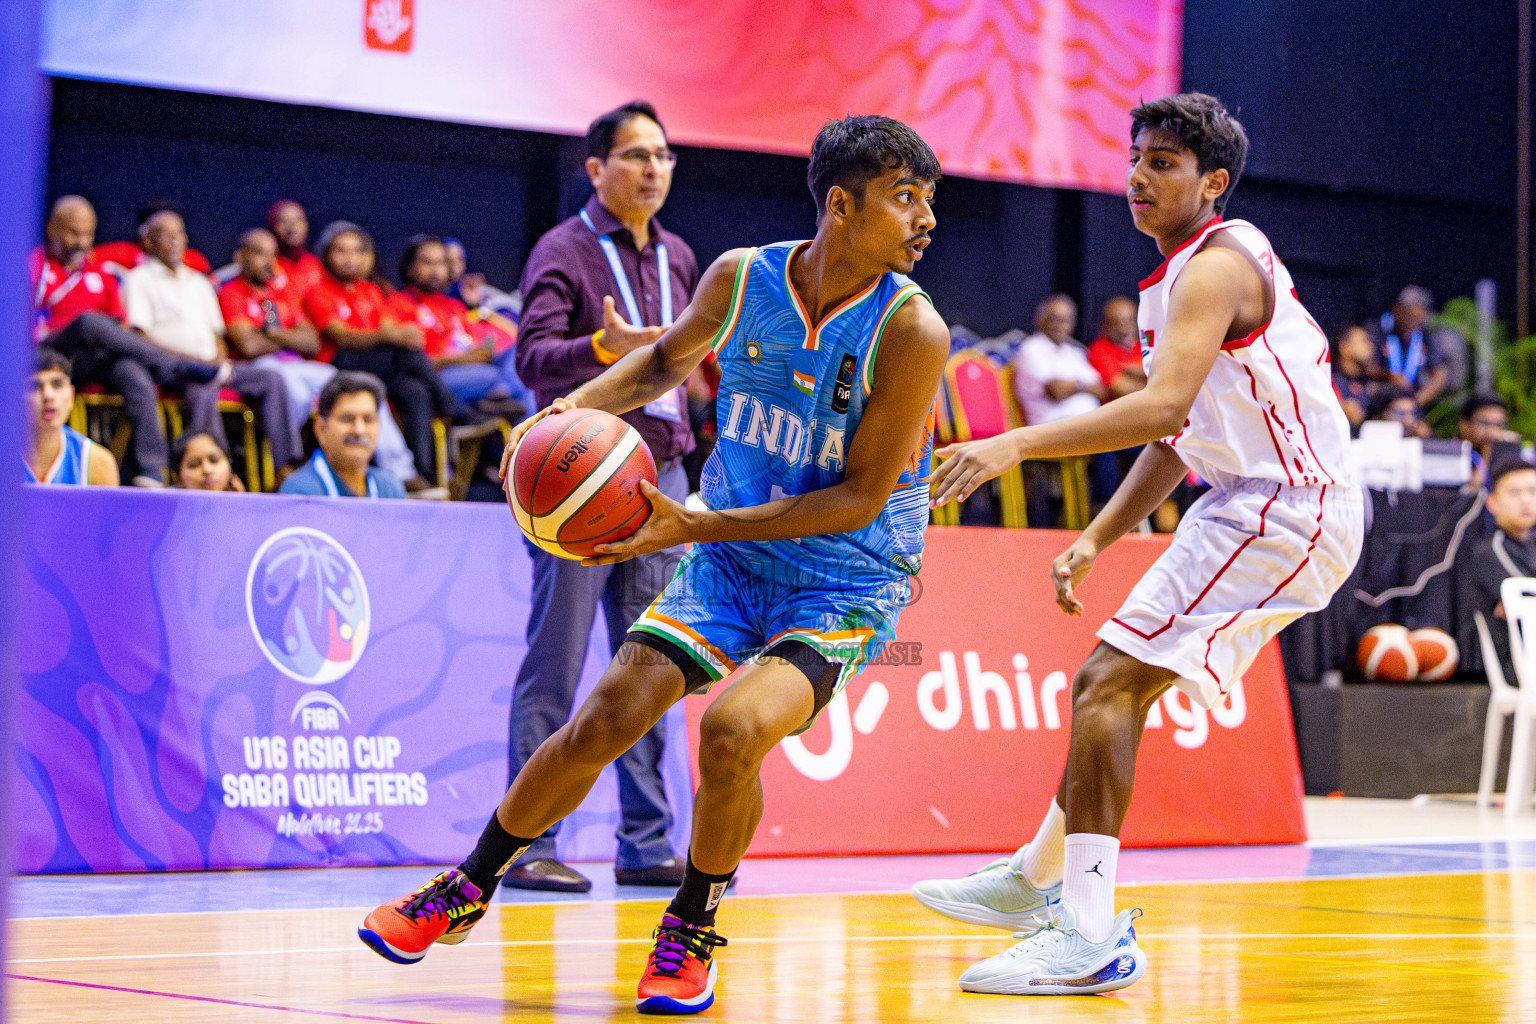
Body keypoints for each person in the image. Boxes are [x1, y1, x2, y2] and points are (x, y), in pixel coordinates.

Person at [357, 114, 948, 1016]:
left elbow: (859, 499)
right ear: (841, 203)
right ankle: (469, 885)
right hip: (732, 559)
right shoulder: (742, 277)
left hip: (845, 573)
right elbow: (661, 363)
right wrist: (562, 415)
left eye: (929, 201)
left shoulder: (913, 331)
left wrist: (690, 528)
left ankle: (691, 926)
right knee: (605, 715)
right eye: (906, 198)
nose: (926, 219)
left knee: (734, 731)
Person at [920, 93, 1363, 996]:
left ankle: (1081, 926)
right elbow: (1176, 436)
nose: (1138, 176)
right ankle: (1038, 879)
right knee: (1110, 687)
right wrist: (1094, 537)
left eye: (1164, 162)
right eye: (1136, 156)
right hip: (1248, 500)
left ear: (1213, 183)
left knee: (1106, 684)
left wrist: (1012, 442)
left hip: (1286, 505)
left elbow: (1160, 410)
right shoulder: (1181, 278)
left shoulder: (1212, 269)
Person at [499, 101, 702, 893]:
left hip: (665, 480)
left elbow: (688, 365)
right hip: (579, 487)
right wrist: (601, 350)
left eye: (664, 155)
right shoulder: (565, 250)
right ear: (596, 168)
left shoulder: (681, 256)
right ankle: (528, 840)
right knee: (556, 659)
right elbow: (532, 359)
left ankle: (647, 842)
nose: (654, 168)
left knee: (654, 664)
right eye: (636, 155)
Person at [219, 228, 429, 491]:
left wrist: (271, 334)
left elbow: (311, 342)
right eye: (259, 253)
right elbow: (249, 346)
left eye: (272, 255)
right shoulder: (231, 293)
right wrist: (288, 336)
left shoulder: (280, 294)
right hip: (260, 369)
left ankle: (401, 470)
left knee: (358, 389)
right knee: (289, 388)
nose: (268, 261)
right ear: (240, 256)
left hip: (297, 363)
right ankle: (290, 466)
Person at [30, 195, 218, 486]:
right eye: (73, 233)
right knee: (88, 322)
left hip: (86, 362)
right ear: (52, 228)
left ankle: (152, 472)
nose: (82, 241)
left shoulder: (98, 273)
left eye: (88, 234)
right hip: (43, 355)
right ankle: (174, 364)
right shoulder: (33, 267)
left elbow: (118, 325)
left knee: (132, 371)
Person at [122, 209, 297, 476]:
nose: (174, 240)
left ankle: (286, 467)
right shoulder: (138, 280)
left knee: (271, 378)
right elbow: (140, 336)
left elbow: (217, 334)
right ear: (148, 242)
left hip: (213, 365)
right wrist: (192, 363)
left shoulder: (199, 282)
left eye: (178, 233)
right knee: (202, 389)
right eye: (165, 235)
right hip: (172, 368)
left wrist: (216, 360)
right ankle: (214, 472)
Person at [303, 221, 464, 484]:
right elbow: (343, 337)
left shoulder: (372, 290)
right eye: (341, 251)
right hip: (339, 364)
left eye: (357, 251)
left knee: (414, 391)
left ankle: (421, 475)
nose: (350, 258)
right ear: (327, 255)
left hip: (379, 365)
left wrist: (396, 335)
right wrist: (391, 336)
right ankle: (451, 407)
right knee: (406, 354)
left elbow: (389, 325)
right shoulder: (318, 291)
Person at [392, 234, 525, 419]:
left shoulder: (454, 306)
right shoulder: (400, 305)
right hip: (436, 378)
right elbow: (411, 364)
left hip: (474, 369)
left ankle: (523, 441)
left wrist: (483, 351)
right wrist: (463, 359)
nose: (435, 270)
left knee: (523, 355)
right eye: (427, 262)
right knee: (507, 380)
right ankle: (502, 393)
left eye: (440, 263)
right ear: (410, 267)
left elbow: (476, 345)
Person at [1464, 460, 1536, 686]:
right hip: (1518, 664)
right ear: (1492, 502)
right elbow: (1526, 599)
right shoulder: (1489, 551)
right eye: (1514, 492)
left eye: (1532, 491)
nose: (1525, 500)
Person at [279, 372, 406, 499]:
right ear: (321, 429)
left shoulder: (390, 489)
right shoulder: (300, 493)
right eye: (347, 419)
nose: (359, 430)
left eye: (368, 420)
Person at [24, 347, 118, 486]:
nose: (48, 395)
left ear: (71, 396)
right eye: (35, 386)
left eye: (57, 385)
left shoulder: (97, 463)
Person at [1368, 285, 1448, 409]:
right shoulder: (1377, 330)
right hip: (1380, 402)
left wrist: (1416, 403)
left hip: (1413, 403)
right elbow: (1367, 367)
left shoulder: (1425, 335)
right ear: (1397, 309)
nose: (1414, 323)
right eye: (1409, 315)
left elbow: (1439, 375)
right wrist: (1389, 375)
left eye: (1419, 319)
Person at [1086, 296, 1146, 401]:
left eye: (1129, 320)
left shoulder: (1144, 345)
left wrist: (1138, 372)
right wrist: (1148, 376)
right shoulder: (1099, 350)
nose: (1124, 329)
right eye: (1116, 322)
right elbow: (1122, 389)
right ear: (1104, 325)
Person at [267, 199, 326, 303]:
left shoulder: (318, 266)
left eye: (298, 220)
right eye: (283, 221)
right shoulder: (266, 267)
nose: (292, 226)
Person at [1332, 323, 1385, 430]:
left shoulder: (1371, 382)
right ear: (1344, 348)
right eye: (1364, 341)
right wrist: (1340, 407)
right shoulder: (1329, 379)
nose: (1370, 346)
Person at [1460, 394, 1521, 482]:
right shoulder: (1451, 453)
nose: (1493, 431)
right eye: (1484, 423)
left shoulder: (1505, 451)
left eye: (1499, 425)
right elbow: (1469, 492)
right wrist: (1488, 450)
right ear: (1464, 425)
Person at [173, 431, 243, 492]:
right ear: (177, 478)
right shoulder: (164, 506)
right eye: (194, 465)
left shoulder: (245, 504)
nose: (207, 470)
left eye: (214, 460)